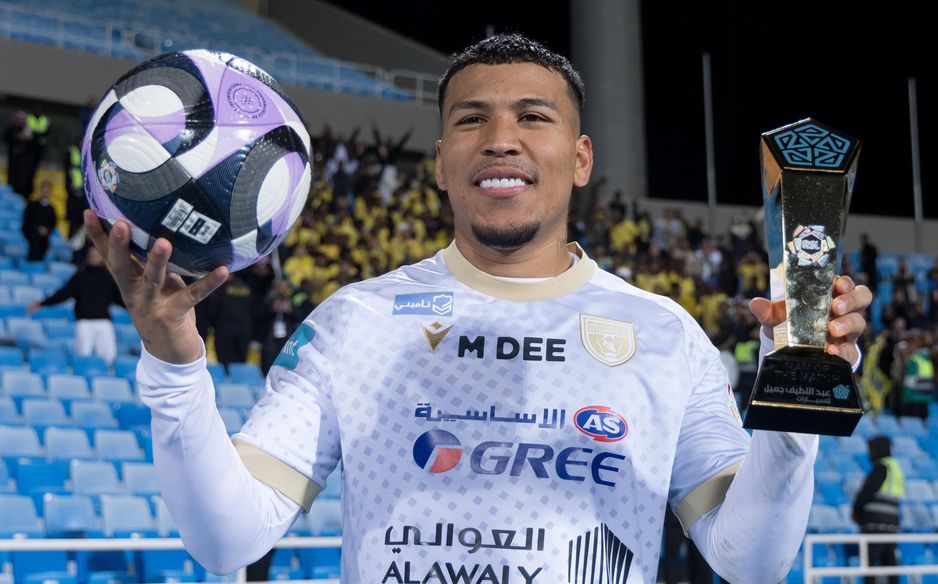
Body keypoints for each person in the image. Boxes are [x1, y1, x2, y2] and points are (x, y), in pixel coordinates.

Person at [84, 34, 872, 582]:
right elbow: (226, 538)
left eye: (534, 117)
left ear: (582, 157)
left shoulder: (666, 336)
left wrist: (791, 411)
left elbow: (751, 558)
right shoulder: (352, 325)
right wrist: (175, 361)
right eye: (471, 119)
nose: (501, 138)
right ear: (439, 165)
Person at [28, 245, 123, 366]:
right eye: (91, 255)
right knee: (82, 356)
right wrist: (43, 303)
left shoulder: (109, 278)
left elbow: (122, 300)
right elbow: (64, 293)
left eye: (97, 255)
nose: (94, 257)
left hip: (104, 322)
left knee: (109, 357)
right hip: (84, 322)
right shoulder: (80, 276)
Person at [852, 435, 904, 584]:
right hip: (891, 525)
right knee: (890, 564)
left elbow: (867, 492)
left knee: (870, 565)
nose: (869, 453)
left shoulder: (881, 467)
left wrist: (856, 511)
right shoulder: (896, 469)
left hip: (875, 525)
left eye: (871, 449)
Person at [21, 180, 57, 261]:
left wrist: (46, 230)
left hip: (44, 238)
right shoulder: (31, 205)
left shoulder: (51, 209)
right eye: (43, 191)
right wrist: (37, 229)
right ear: (40, 191)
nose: (45, 193)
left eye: (47, 191)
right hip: (32, 235)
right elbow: (26, 221)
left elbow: (53, 224)